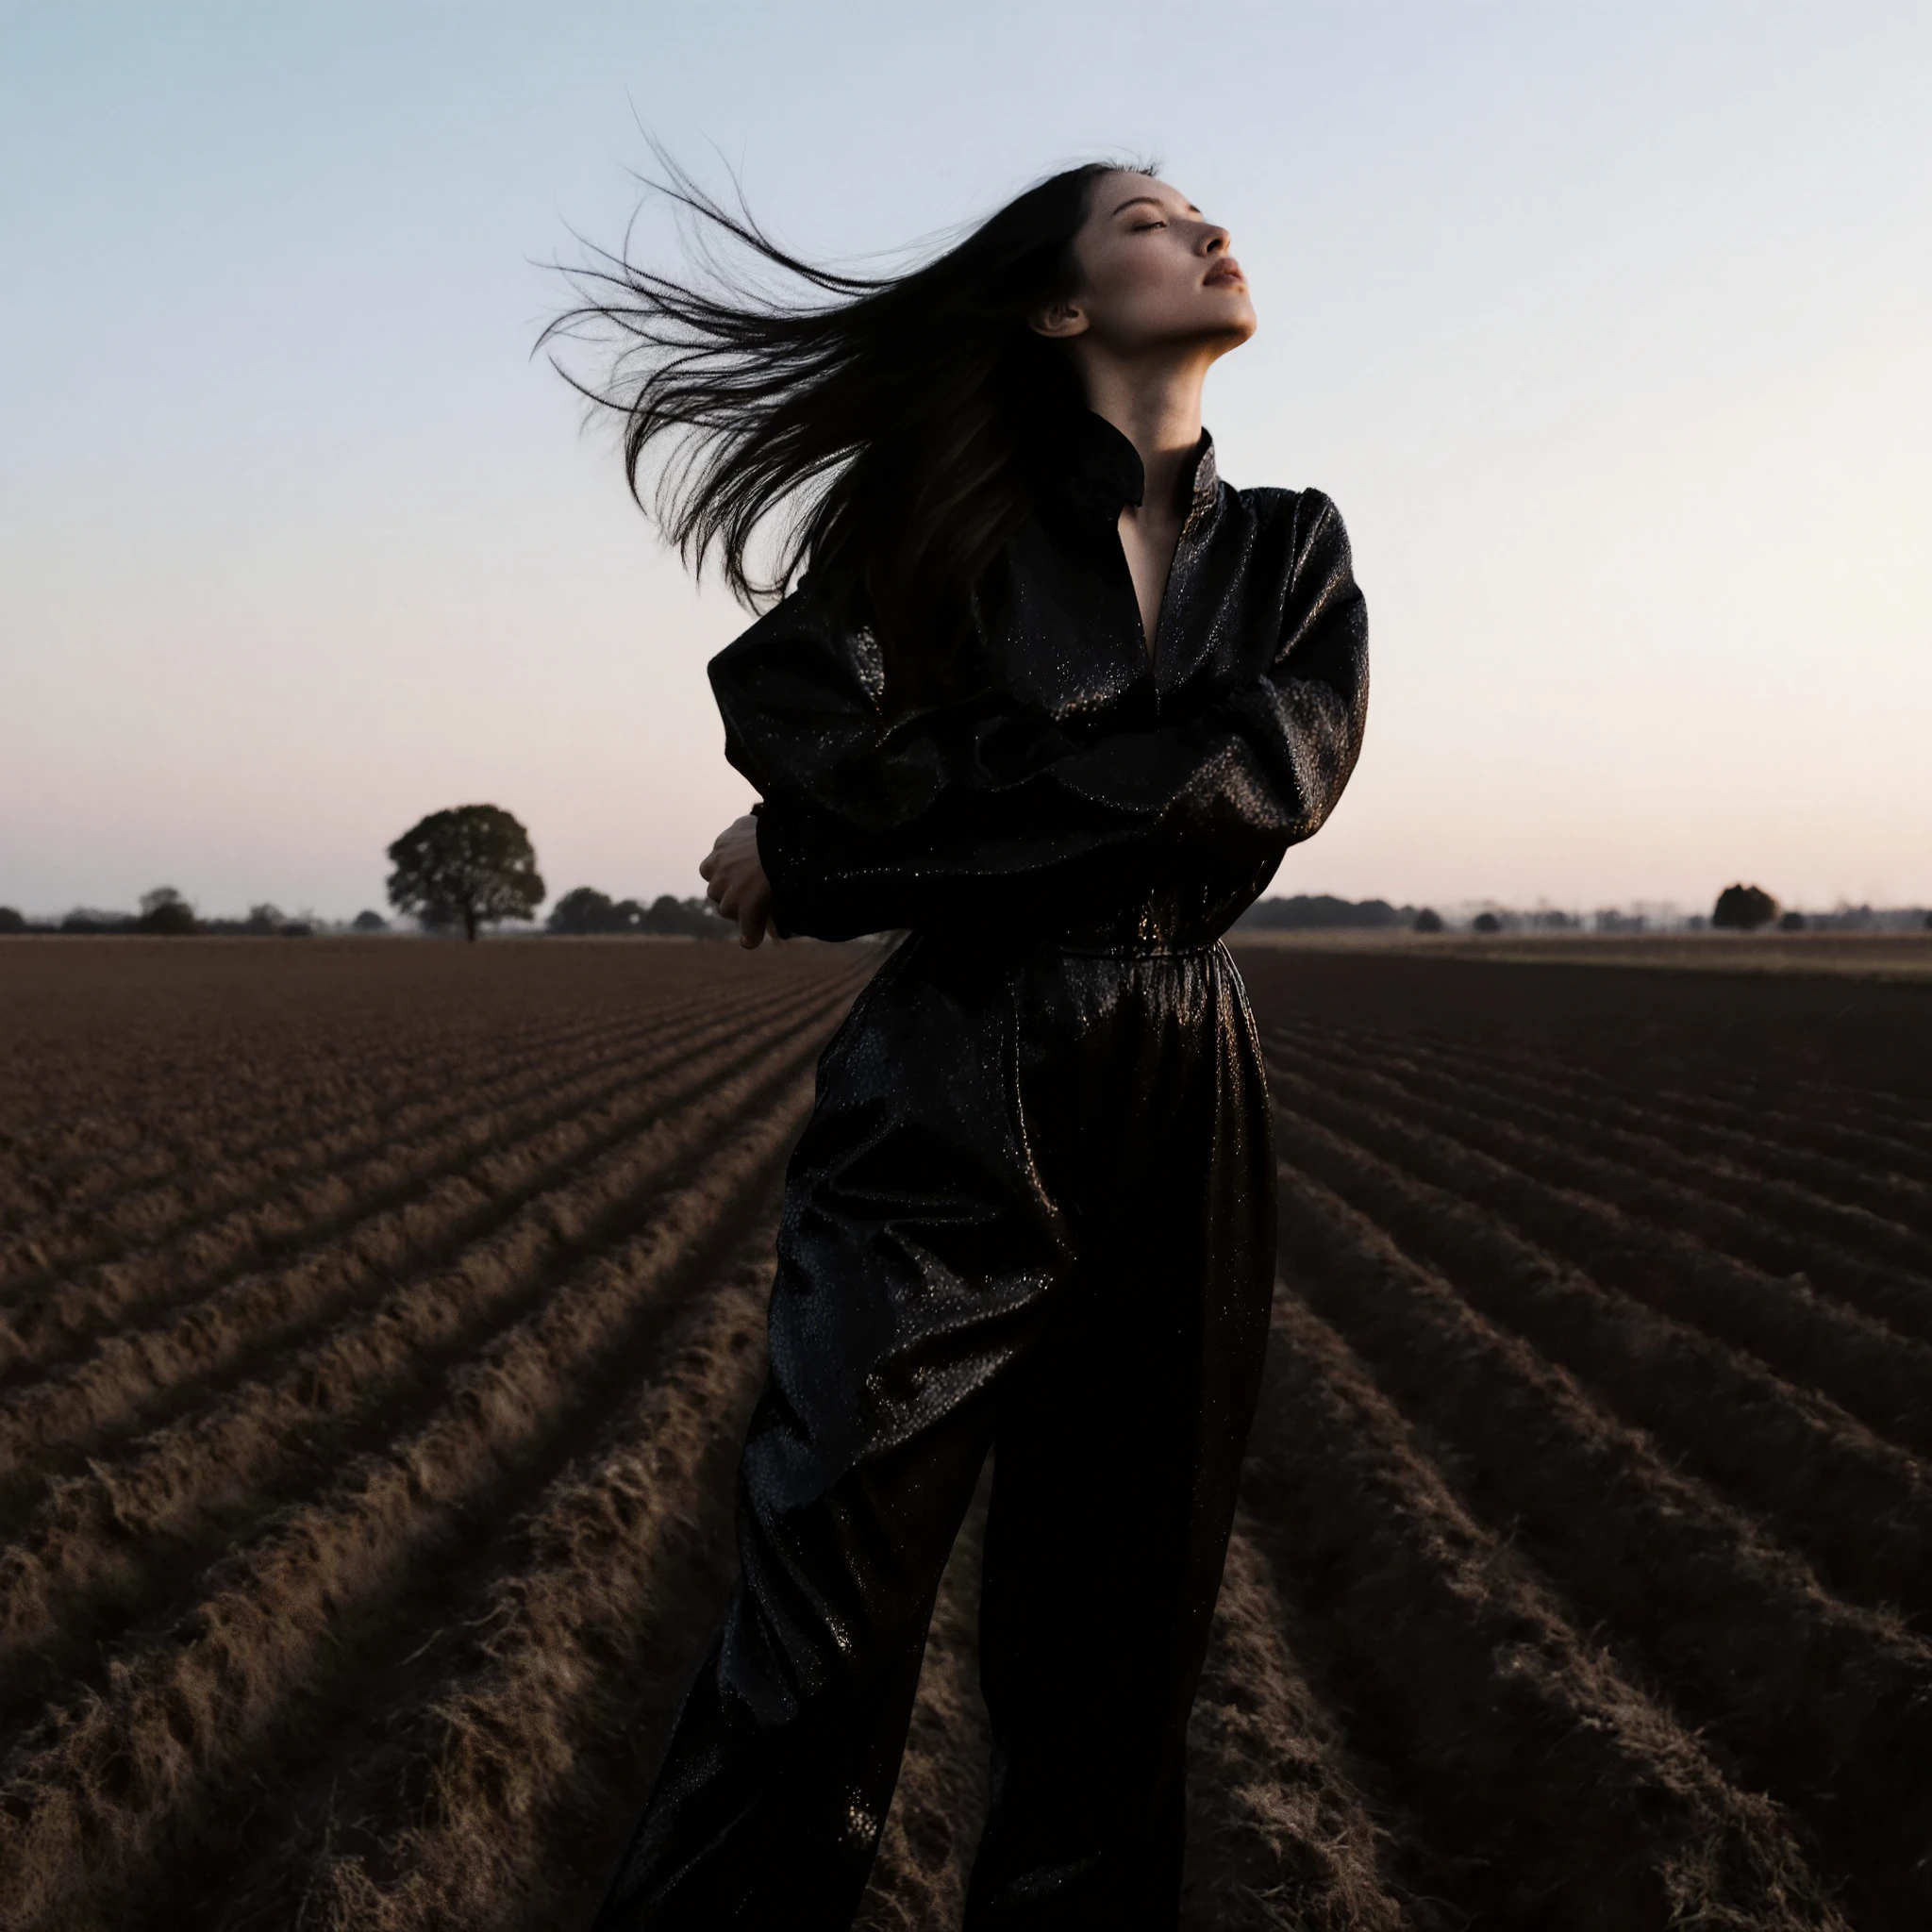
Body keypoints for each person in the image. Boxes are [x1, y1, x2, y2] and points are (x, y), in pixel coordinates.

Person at [549, 152, 1369, 1930]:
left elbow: (1263, 782)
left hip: (1184, 1095)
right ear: (1063, 305)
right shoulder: (939, 533)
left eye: (1209, 208)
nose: (1213, 227)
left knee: (1116, 1678)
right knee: (811, 1656)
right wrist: (875, 818)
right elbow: (802, 729)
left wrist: (848, 848)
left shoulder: (1297, 550)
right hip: (950, 1091)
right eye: (1153, 220)